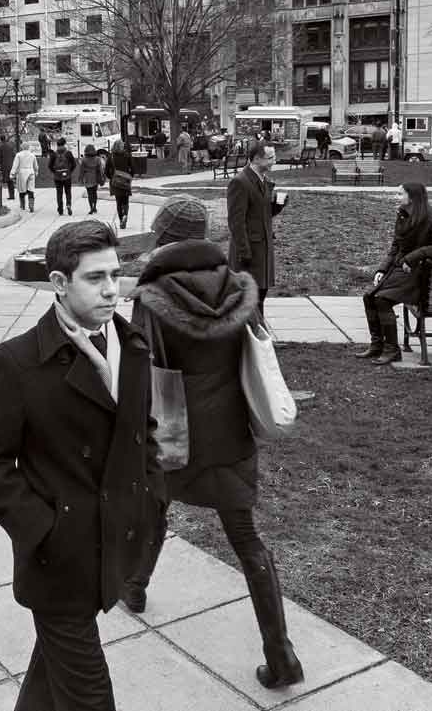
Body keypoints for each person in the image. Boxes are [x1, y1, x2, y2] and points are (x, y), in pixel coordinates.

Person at [0, 220, 166, 711]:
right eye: (93, 277)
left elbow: (145, 433)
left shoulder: (133, 347)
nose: (110, 290)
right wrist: (44, 529)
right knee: (90, 697)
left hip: (110, 549)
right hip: (57, 563)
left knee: (51, 676)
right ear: (58, 283)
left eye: (115, 274)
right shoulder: (18, 363)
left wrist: (151, 496)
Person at [123, 195, 305, 689]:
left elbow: (140, 375)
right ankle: (281, 654)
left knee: (156, 508)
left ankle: (135, 587)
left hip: (175, 435)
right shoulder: (239, 290)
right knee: (247, 542)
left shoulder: (153, 299)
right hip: (230, 434)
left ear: (164, 236)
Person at [354, 182, 432, 365]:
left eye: (401, 194)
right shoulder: (403, 215)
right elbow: (396, 247)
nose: (397, 197)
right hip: (401, 270)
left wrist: (413, 257)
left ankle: (392, 350)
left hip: (418, 274)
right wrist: (382, 269)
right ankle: (378, 345)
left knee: (381, 300)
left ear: (412, 197)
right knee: (369, 297)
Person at [226, 143, 285, 318]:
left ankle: (257, 333)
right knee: (249, 297)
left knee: (261, 293)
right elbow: (236, 222)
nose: (274, 161)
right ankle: (251, 336)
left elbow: (260, 213)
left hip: (262, 248)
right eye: (270, 158)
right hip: (250, 251)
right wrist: (244, 252)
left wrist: (277, 206)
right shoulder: (240, 182)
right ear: (257, 159)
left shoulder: (262, 179)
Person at [105, 139, 134, 230]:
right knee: (126, 201)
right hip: (125, 181)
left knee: (118, 202)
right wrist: (130, 177)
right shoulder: (127, 155)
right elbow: (132, 168)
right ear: (122, 146)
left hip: (115, 182)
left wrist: (111, 177)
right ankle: (125, 214)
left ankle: (121, 219)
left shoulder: (111, 156)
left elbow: (106, 170)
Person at [48, 138, 79, 216]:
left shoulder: (54, 154)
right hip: (67, 176)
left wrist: (54, 172)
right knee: (68, 192)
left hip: (57, 176)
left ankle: (60, 209)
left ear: (57, 145)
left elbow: (50, 166)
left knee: (59, 193)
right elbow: (74, 164)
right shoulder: (68, 153)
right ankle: (68, 205)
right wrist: (69, 171)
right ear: (64, 144)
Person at [76, 145, 107, 215]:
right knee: (94, 193)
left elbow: (82, 170)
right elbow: (100, 169)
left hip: (87, 178)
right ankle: (95, 206)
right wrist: (103, 177)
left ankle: (91, 207)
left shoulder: (84, 160)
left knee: (89, 194)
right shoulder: (98, 159)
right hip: (96, 177)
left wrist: (80, 178)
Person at [11, 141, 39, 211]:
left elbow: (15, 165)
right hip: (31, 172)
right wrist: (36, 171)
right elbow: (35, 165)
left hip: (22, 173)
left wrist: (12, 173)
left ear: (22, 147)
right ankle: (31, 205)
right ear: (28, 147)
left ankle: (22, 205)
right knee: (31, 189)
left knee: (22, 189)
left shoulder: (18, 155)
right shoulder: (32, 155)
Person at [0, 133, 17, 200]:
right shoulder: (10, 145)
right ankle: (12, 195)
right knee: (10, 181)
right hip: (11, 165)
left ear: (0, 139)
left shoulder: (0, 146)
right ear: (5, 138)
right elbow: (14, 155)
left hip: (3, 166)